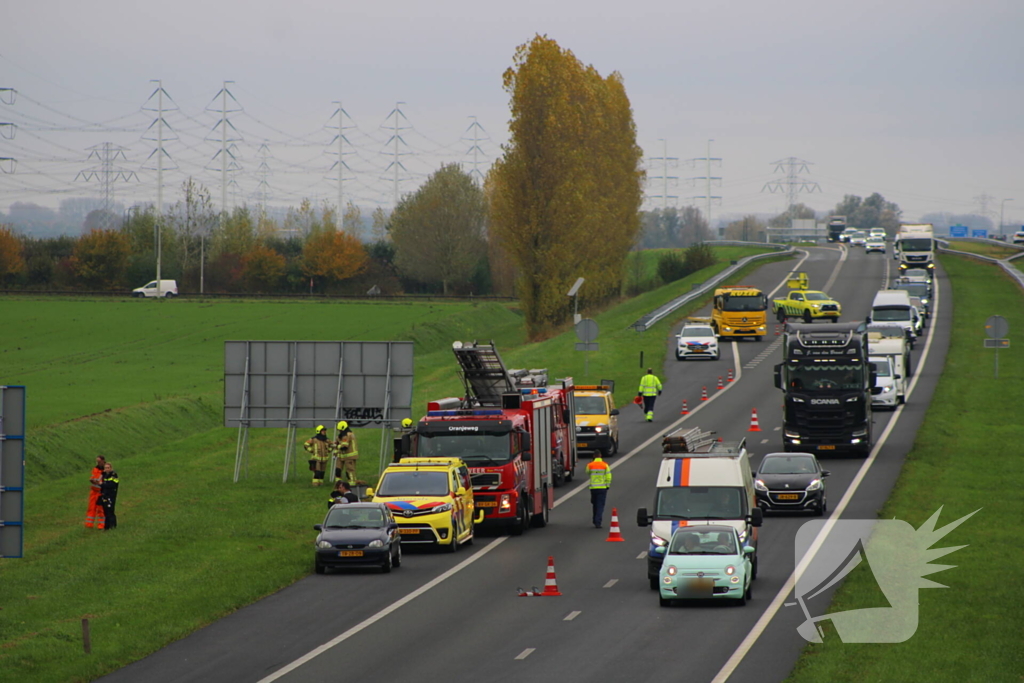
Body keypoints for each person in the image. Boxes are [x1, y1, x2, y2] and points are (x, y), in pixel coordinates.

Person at [587, 455, 612, 528]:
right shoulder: (605, 465)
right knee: (600, 505)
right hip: (602, 488)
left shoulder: (590, 465)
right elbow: (608, 476)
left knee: (594, 504)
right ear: (600, 456)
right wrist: (607, 485)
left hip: (593, 488)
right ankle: (597, 522)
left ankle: (595, 519)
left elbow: (587, 472)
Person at [85, 456, 106, 529]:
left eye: (99, 461)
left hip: (101, 492)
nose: (98, 463)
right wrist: (93, 481)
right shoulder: (95, 469)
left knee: (101, 510)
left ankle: (101, 525)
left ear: (103, 461)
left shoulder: (106, 469)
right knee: (91, 508)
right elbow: (92, 478)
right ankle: (89, 524)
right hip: (94, 492)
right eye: (97, 461)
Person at [99, 462, 119, 530]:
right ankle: (107, 527)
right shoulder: (104, 475)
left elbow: (112, 485)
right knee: (105, 511)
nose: (107, 469)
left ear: (111, 468)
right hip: (105, 495)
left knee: (110, 511)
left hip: (111, 495)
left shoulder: (113, 475)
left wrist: (102, 484)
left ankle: (113, 526)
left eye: (108, 468)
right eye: (105, 468)